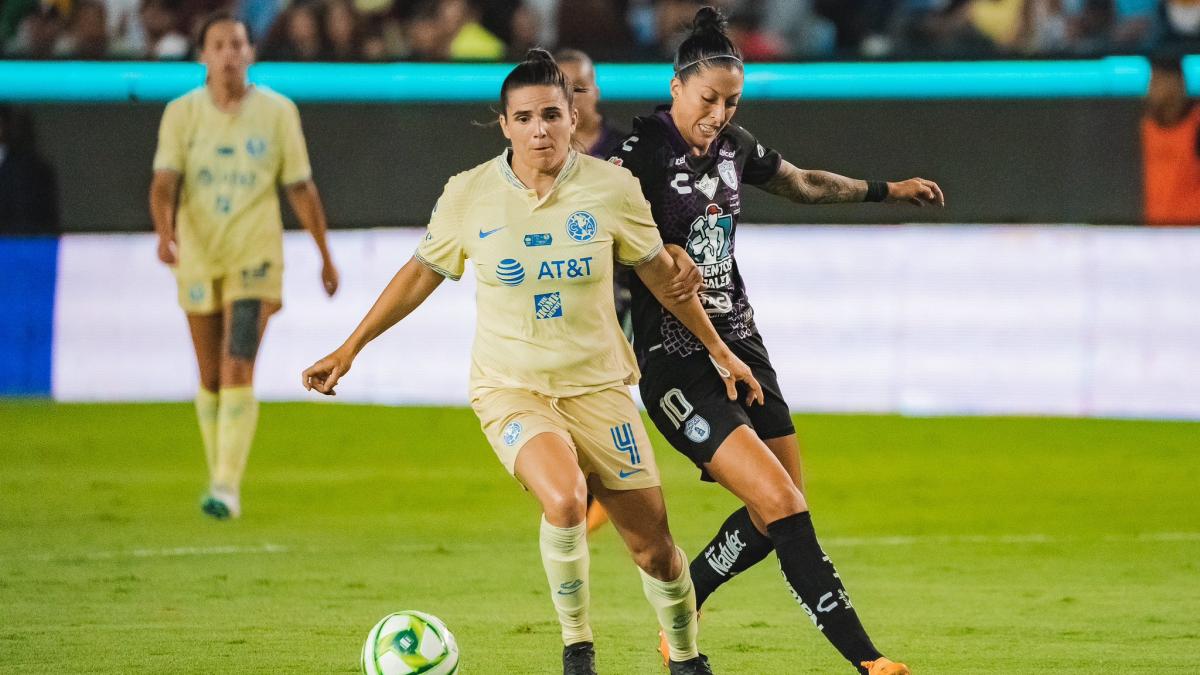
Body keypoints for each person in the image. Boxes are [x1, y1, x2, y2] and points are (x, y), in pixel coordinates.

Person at [302, 49, 765, 675]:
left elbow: (663, 279)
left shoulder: (611, 189)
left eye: (551, 114)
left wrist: (721, 353)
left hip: (599, 389)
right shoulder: (468, 195)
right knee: (566, 499)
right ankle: (578, 649)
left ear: (574, 117)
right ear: (505, 125)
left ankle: (686, 657)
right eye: (524, 118)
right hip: (511, 389)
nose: (539, 129)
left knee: (655, 549)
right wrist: (349, 348)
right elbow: (420, 274)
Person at [609, 7, 945, 675]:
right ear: (677, 86)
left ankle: (691, 595)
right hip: (679, 361)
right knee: (782, 504)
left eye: (732, 101)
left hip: (740, 341)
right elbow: (620, 248)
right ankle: (867, 658)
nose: (720, 113)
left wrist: (885, 190)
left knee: (781, 506)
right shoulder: (638, 152)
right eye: (709, 99)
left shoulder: (734, 147)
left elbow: (801, 183)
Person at [149, 12, 339, 520]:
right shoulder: (181, 114)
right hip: (199, 253)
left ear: (250, 52)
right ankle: (221, 480)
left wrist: (324, 254)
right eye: (219, 44)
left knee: (238, 364)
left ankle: (226, 488)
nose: (230, 53)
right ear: (203, 56)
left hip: (255, 256)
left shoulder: (278, 113)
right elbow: (165, 182)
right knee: (210, 376)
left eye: (237, 44)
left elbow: (300, 186)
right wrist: (165, 233)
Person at [555, 46, 632, 534]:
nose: (573, 97)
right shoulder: (542, 154)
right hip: (557, 300)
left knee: (597, 396)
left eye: (580, 86)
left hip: (616, 297)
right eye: (563, 88)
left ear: (596, 89)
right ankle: (586, 487)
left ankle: (594, 492)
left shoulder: (627, 151)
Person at [1142, 55, 1200, 225]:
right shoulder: (1148, 126)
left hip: (1192, 235)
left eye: (1158, 81)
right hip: (1157, 234)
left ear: (1176, 83)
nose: (1151, 88)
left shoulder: (1196, 124)